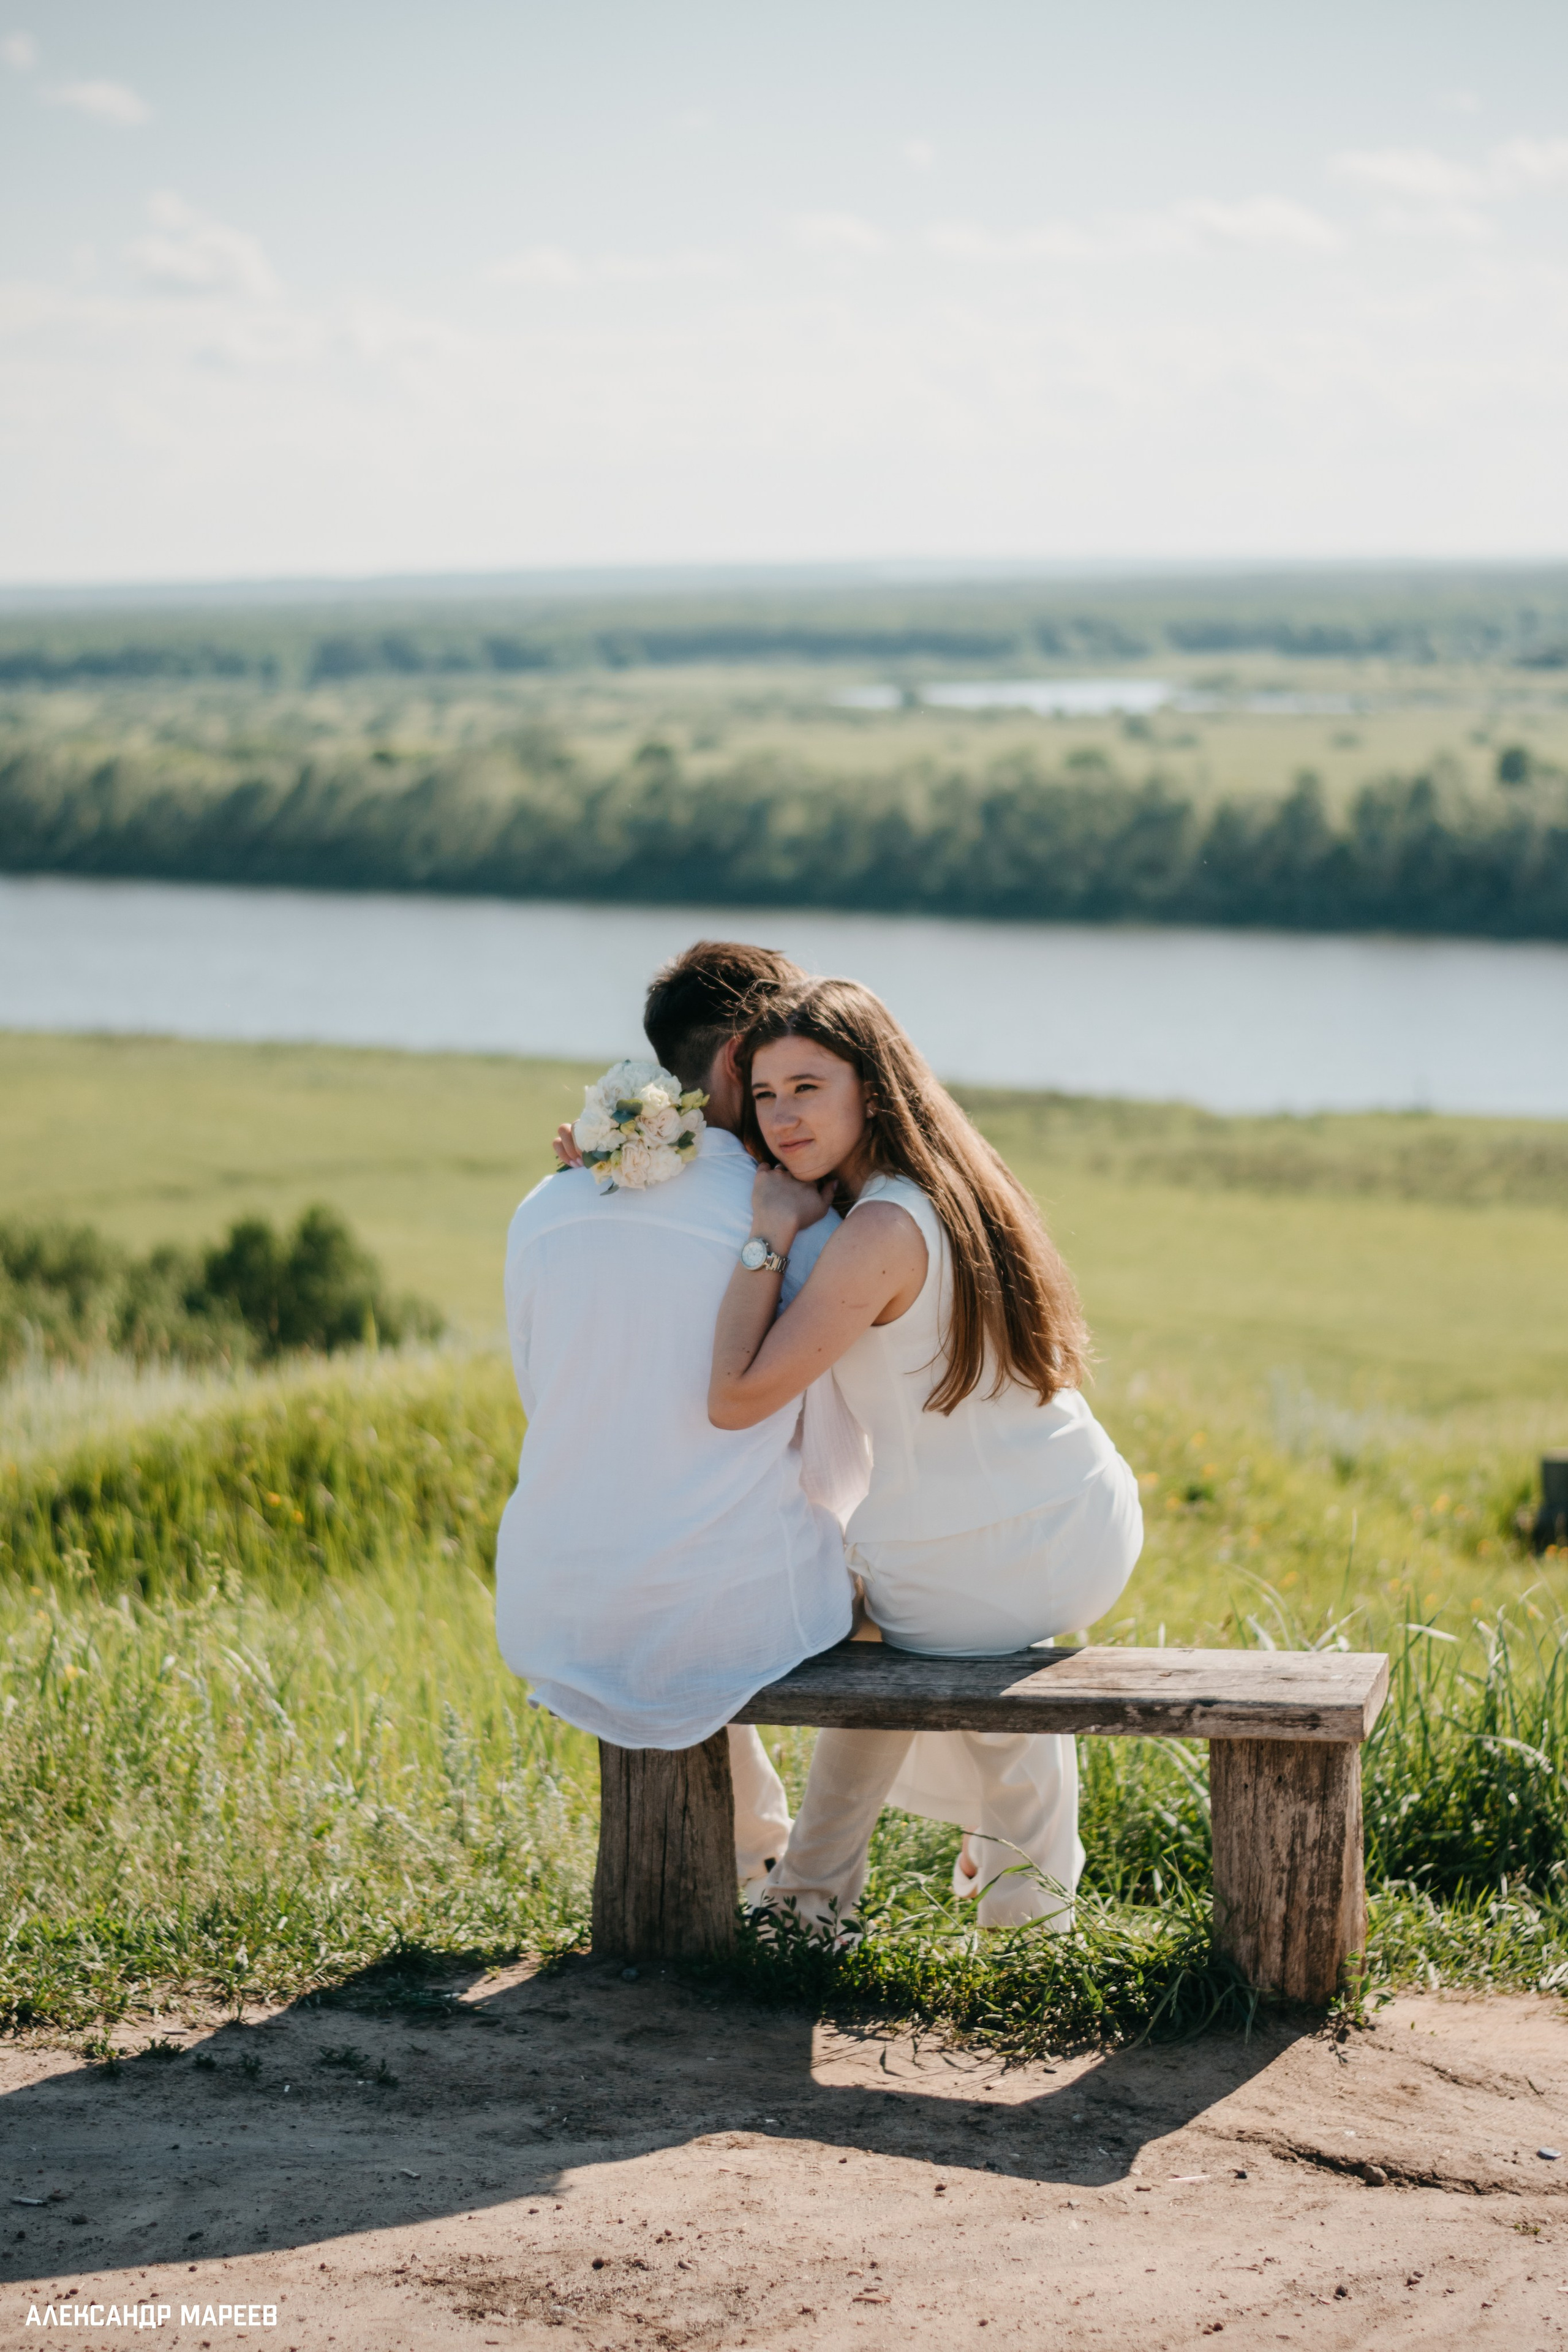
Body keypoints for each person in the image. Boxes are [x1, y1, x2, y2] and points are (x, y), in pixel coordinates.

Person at [707, 977, 1143, 1930]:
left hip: (983, 1553)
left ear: (872, 1085)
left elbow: (736, 1398)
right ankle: (1005, 1893)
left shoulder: (878, 1231)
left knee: (844, 1623)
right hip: (1089, 1513)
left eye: (808, 1088)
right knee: (937, 1633)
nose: (782, 1117)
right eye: (767, 1094)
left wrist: (764, 1235)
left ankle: (824, 1902)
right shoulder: (960, 1183)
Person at [492, 940, 854, 1893]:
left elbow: (552, 1403)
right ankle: (994, 1879)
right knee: (924, 1590)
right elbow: (834, 1458)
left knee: (691, 1532)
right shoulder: (794, 1219)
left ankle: (754, 1849)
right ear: (743, 1060)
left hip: (552, 1607)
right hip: (724, 1610)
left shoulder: (547, 1205)